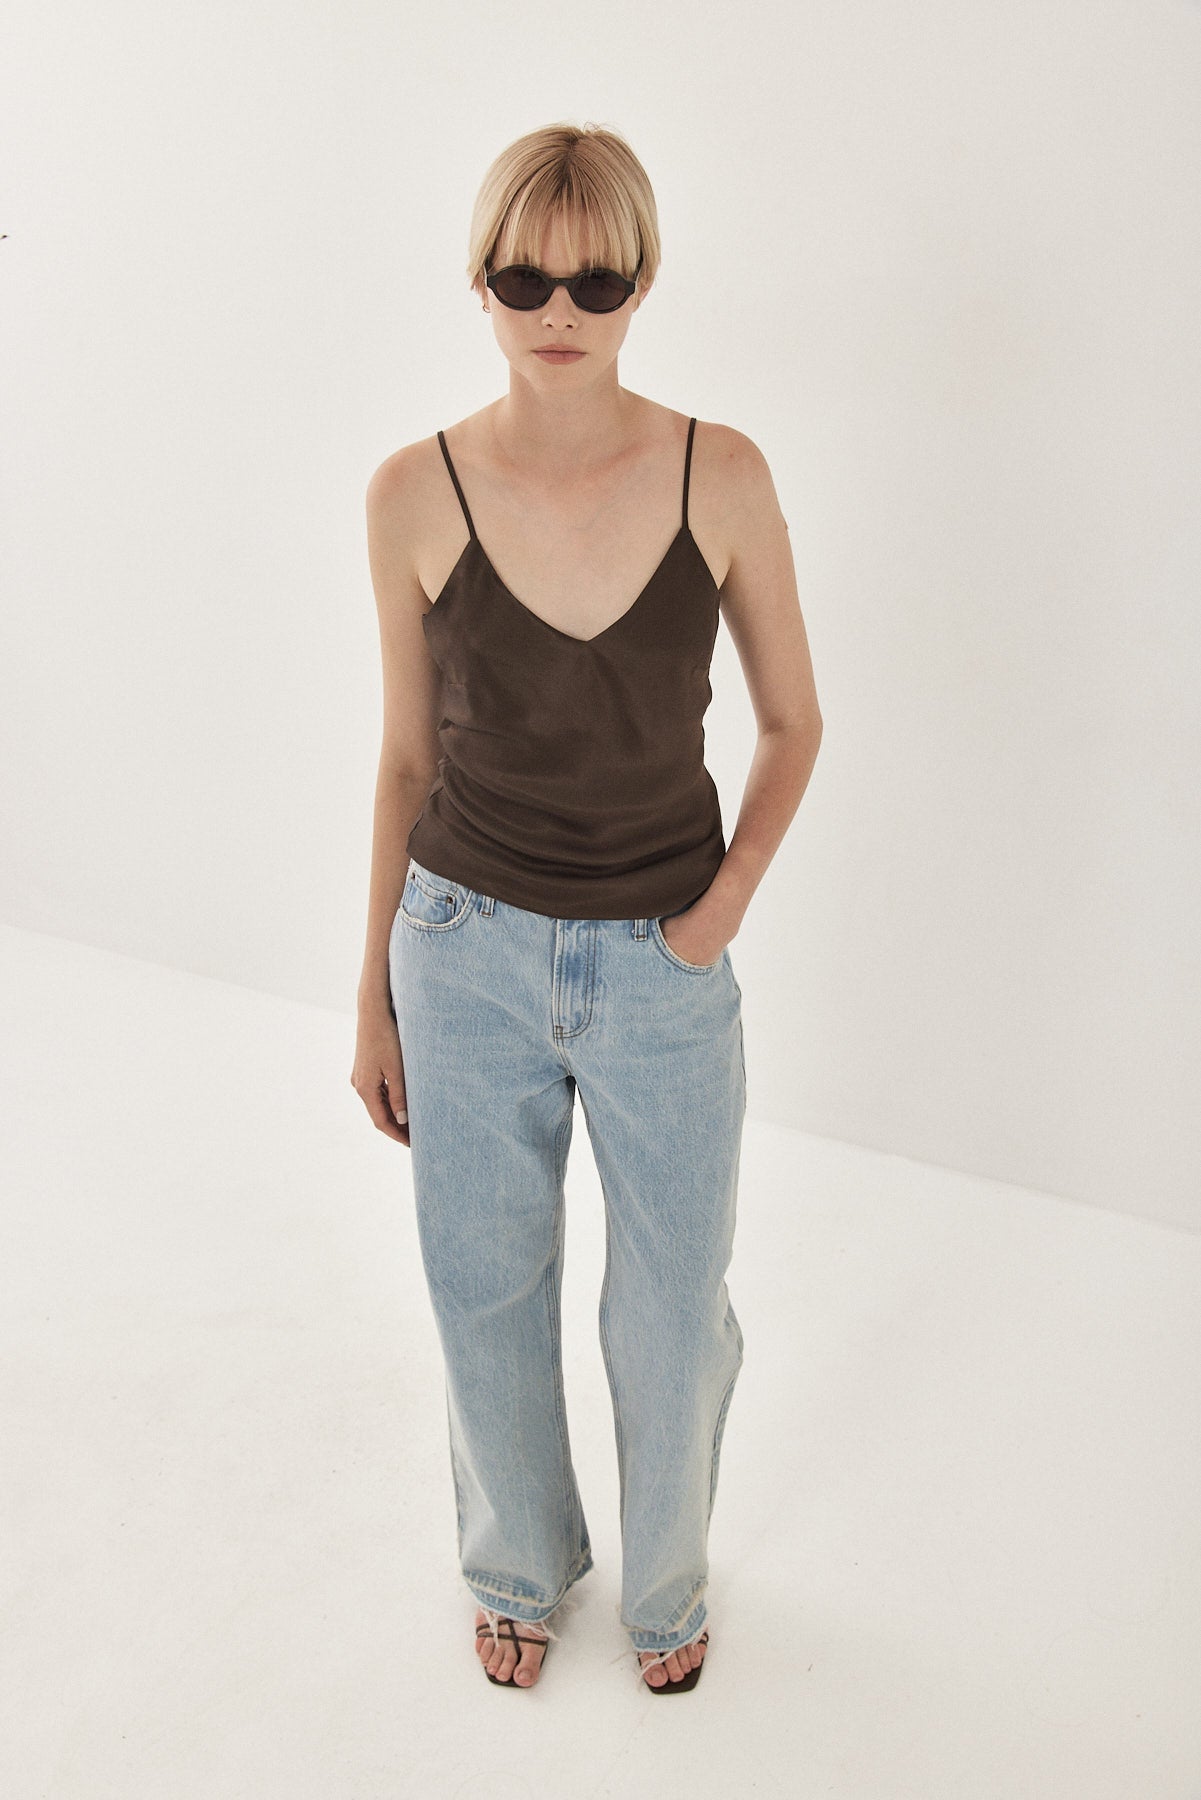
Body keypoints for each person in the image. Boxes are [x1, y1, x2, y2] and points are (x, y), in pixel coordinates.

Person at [351, 121, 823, 1693]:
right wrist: (373, 998)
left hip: (661, 963)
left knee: (673, 1310)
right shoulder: (411, 491)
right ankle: (514, 1567)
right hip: (461, 949)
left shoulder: (717, 472)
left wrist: (717, 912)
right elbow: (405, 758)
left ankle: (665, 1589)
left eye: (597, 280)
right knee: (482, 1292)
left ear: (642, 283)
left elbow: (792, 723)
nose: (559, 310)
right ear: (477, 281)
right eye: (524, 278)